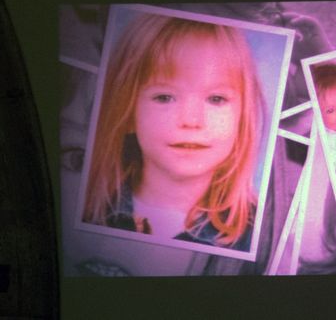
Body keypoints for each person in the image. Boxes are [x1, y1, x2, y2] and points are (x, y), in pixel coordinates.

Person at [81, 13, 264, 251]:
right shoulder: (85, 204)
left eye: (216, 99)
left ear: (242, 118)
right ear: (127, 112)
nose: (191, 120)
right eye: (164, 97)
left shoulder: (259, 236)